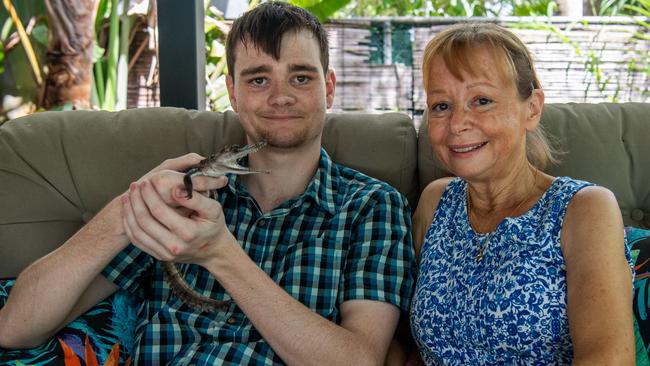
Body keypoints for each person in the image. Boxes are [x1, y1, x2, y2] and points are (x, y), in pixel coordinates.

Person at [0, 2, 415, 364]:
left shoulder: (372, 205)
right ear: (233, 93)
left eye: (301, 77)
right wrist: (130, 206)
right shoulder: (184, 196)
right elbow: (16, 328)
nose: (280, 96)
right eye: (258, 79)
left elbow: (359, 359)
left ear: (329, 88)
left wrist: (221, 255)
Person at [409, 23, 634, 365]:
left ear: (532, 109)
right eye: (441, 106)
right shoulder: (435, 202)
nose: (457, 124)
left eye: (481, 101)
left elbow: (608, 359)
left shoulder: (584, 209)